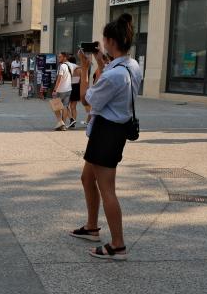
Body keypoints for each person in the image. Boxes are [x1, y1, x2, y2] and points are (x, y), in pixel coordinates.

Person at [69, 13, 142, 260]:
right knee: (87, 178)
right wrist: (101, 62)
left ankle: (118, 245)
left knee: (107, 188)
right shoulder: (131, 66)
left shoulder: (113, 75)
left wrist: (86, 67)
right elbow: (111, 79)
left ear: (110, 41)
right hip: (114, 129)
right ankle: (91, 227)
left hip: (107, 133)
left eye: (104, 40)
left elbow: (86, 100)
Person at [52, 52, 74, 131]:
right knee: (65, 107)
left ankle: (60, 122)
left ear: (65, 57)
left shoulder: (62, 66)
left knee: (55, 106)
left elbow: (59, 79)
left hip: (61, 90)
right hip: (68, 89)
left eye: (60, 57)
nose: (59, 58)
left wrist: (55, 90)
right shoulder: (70, 66)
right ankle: (63, 125)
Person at [67, 55, 82, 129]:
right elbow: (81, 80)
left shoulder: (68, 67)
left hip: (69, 86)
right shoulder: (79, 69)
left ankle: (71, 119)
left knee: (65, 105)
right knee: (73, 107)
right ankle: (74, 121)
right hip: (77, 87)